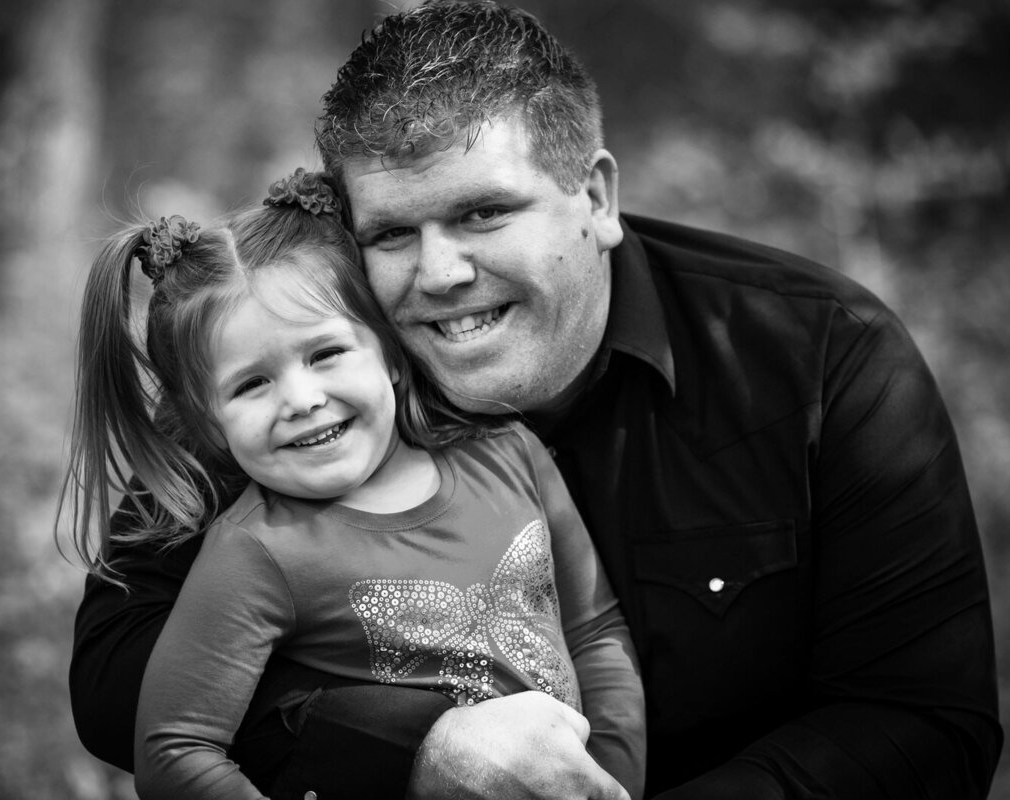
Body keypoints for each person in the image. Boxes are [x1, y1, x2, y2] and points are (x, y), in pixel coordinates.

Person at [67, 2, 1003, 798]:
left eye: (483, 212)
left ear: (594, 196)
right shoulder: (307, 370)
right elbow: (117, 681)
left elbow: (924, 722)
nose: (438, 274)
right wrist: (408, 749)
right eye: (392, 231)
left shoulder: (824, 356)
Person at [60, 169, 646, 799]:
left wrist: (611, 779)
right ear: (206, 421)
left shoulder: (508, 452)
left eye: (325, 354)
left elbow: (595, 631)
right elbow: (175, 750)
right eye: (252, 384)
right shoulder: (254, 554)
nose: (303, 400)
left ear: (393, 353)